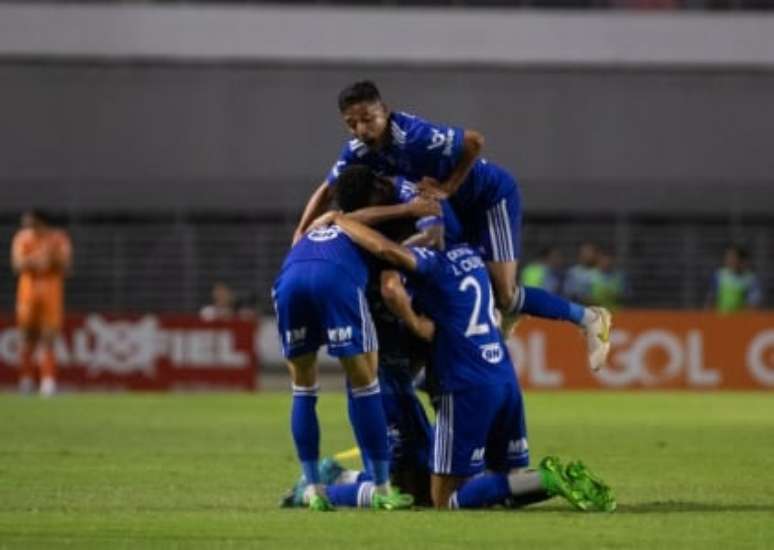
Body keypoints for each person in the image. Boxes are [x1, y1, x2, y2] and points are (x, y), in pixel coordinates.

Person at [292, 81, 610, 371]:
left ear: (384, 112)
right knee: (467, 278)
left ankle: (590, 317)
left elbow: (474, 141)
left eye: (368, 119)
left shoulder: (414, 136)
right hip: (450, 209)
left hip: (488, 197)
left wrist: (449, 187)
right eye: (352, 123)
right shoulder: (359, 150)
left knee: (506, 294)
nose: (361, 129)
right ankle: (487, 325)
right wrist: (300, 233)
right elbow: (326, 190)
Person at [324, 211, 615, 512]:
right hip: (504, 378)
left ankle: (546, 478)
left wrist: (345, 222)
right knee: (505, 478)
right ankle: (551, 479)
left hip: (464, 384)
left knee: (443, 499)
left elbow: (388, 268)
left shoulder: (428, 261)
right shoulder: (472, 257)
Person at [272, 221, 413, 511]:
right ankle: (382, 488)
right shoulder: (366, 231)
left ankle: (312, 488)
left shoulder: (312, 228)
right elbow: (387, 250)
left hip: (289, 281)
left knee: (303, 389)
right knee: (366, 385)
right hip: (336, 280)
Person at [11, 210, 72, 397]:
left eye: (30, 222)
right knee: (27, 337)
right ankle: (26, 380)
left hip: (51, 293)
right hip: (27, 294)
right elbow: (17, 265)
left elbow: (66, 266)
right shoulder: (22, 238)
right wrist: (35, 260)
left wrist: (51, 258)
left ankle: (48, 381)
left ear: (40, 220)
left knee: (49, 338)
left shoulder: (58, 239)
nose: (27, 225)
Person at [706, 245, 763, 313]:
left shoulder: (750, 279)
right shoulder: (719, 275)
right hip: (720, 318)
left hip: (741, 320)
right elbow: (711, 299)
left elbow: (754, 302)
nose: (730, 260)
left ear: (741, 260)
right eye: (728, 257)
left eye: (733, 257)